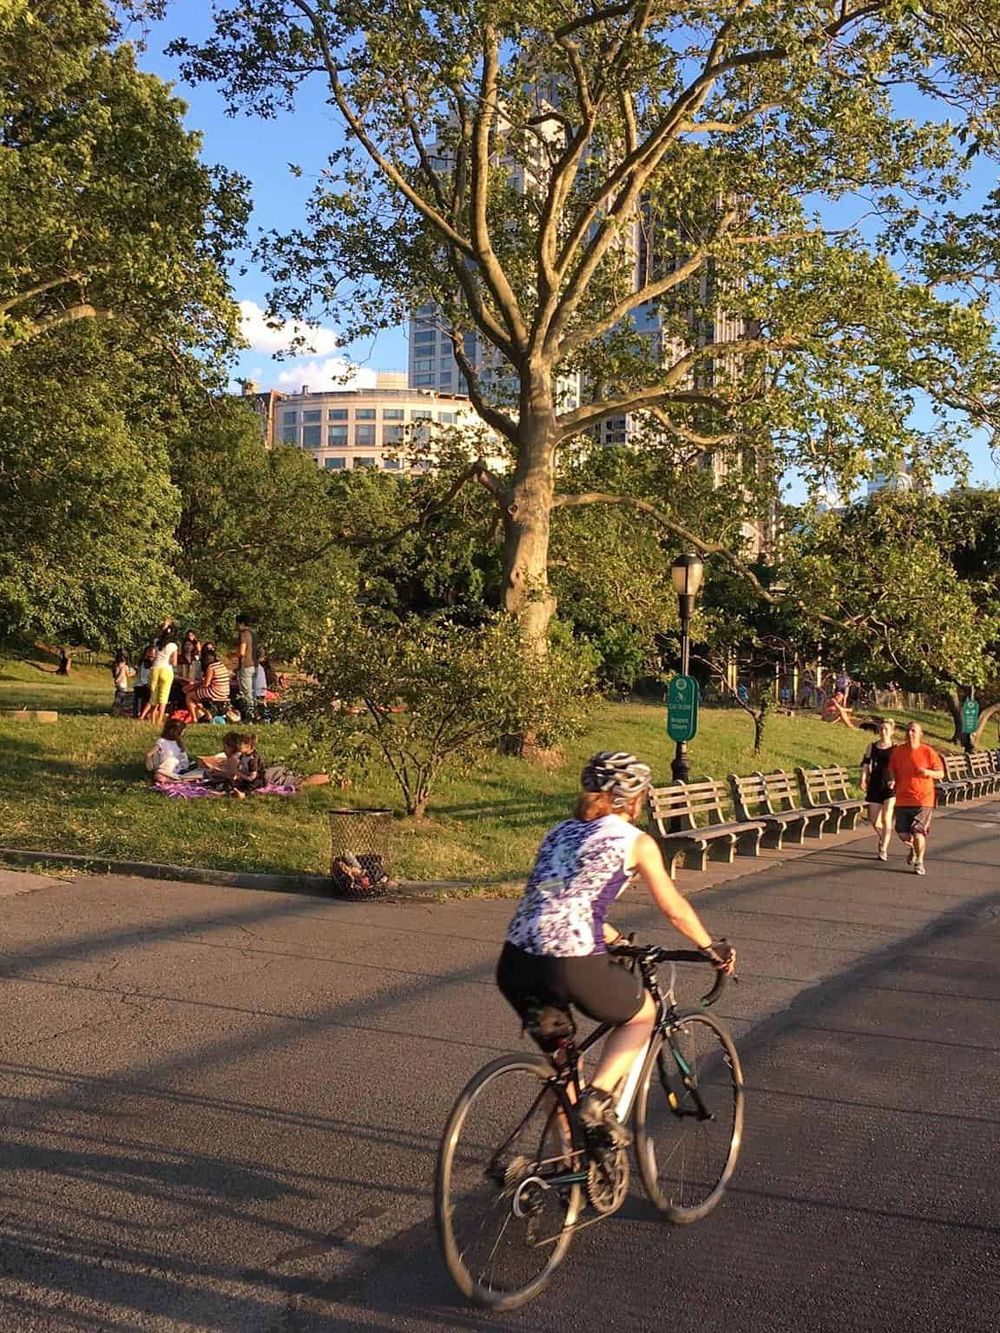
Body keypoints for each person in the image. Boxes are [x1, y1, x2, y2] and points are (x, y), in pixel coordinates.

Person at [496, 751, 736, 1150]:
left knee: (563, 1073)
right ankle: (600, 1099)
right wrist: (711, 948)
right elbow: (673, 908)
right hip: (569, 963)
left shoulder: (558, 832)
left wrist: (614, 938)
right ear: (635, 799)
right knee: (644, 1015)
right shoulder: (635, 842)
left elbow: (556, 896)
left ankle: (569, 1172)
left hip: (517, 962)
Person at [888, 721, 944, 876]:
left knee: (918, 832)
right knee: (903, 834)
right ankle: (914, 847)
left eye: (913, 731)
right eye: (908, 731)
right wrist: (892, 780)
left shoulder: (928, 752)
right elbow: (892, 769)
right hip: (902, 798)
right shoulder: (898, 751)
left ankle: (919, 862)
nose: (910, 734)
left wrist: (928, 772)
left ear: (920, 734)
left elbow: (940, 773)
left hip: (923, 799)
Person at [861, 718, 896, 861]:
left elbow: (899, 767)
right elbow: (865, 764)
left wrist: (895, 780)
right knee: (874, 821)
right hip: (875, 783)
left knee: (886, 818)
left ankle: (883, 849)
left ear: (892, 732)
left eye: (886, 729)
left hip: (890, 785)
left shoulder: (895, 748)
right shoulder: (872, 746)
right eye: (881, 729)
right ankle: (883, 836)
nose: (883, 732)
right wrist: (863, 779)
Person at [140, 629, 178, 726]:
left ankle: (152, 720)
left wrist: (165, 627)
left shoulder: (156, 641)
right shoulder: (173, 646)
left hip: (155, 669)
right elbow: (174, 662)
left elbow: (159, 633)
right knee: (163, 698)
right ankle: (159, 720)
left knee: (154, 697)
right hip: (166, 670)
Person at [183, 646, 231, 723]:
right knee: (196, 697)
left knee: (189, 696)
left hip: (216, 692)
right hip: (225, 691)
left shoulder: (211, 667)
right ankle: (206, 713)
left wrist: (194, 686)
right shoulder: (221, 665)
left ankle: (194, 718)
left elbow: (206, 684)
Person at [144, 718, 193, 783]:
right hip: (164, 766)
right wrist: (149, 763)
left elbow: (182, 756)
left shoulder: (178, 742)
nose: (183, 733)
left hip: (177, 766)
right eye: (182, 731)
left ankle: (175, 777)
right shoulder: (162, 741)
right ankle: (169, 778)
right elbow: (149, 754)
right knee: (170, 761)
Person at [235, 613, 258, 719]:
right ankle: (255, 713)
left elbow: (242, 652)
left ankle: (249, 715)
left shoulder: (243, 634)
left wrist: (232, 655)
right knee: (253, 691)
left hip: (245, 665)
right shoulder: (253, 634)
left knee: (245, 692)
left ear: (241, 623)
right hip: (254, 665)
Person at [132, 645, 156, 719]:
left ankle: (144, 714)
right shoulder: (144, 662)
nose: (151, 655)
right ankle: (138, 714)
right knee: (139, 701)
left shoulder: (152, 663)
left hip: (145, 684)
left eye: (153, 654)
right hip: (142, 684)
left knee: (145, 701)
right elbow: (143, 674)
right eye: (149, 653)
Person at [111, 649, 134, 714]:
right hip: (123, 684)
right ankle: (117, 710)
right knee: (121, 697)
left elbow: (116, 674)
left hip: (118, 684)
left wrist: (116, 680)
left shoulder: (116, 665)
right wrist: (134, 672)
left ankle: (117, 709)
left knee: (118, 694)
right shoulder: (124, 667)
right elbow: (128, 675)